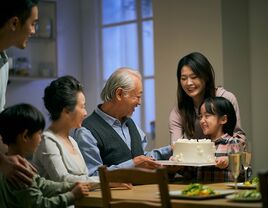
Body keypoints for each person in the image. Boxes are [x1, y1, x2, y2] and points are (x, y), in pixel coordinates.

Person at [74, 67, 172, 176]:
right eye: (137, 97)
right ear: (119, 94)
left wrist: (170, 150)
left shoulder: (130, 123)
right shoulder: (86, 131)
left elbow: (141, 157)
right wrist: (132, 165)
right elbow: (93, 176)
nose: (139, 103)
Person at [0, 103, 90, 208]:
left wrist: (70, 186)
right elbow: (39, 205)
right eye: (39, 133)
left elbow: (42, 184)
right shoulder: (20, 171)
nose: (41, 137)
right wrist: (72, 196)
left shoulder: (9, 166)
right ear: (25, 136)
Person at [0, 0, 39, 187]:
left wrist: (9, 158)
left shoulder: (4, 61)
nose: (33, 31)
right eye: (32, 23)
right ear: (14, 23)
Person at [32, 76, 99, 183]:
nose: (85, 113)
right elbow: (62, 179)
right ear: (66, 111)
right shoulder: (47, 141)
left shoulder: (72, 141)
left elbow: (85, 177)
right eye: (82, 107)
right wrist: (105, 181)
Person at [169, 52, 246, 143]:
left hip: (226, 154)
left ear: (206, 77)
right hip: (198, 156)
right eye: (183, 78)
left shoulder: (225, 98)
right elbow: (176, 146)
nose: (189, 83)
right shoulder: (180, 109)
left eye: (194, 77)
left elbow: (239, 138)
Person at [195, 97, 246, 182]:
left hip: (226, 193)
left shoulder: (233, 142)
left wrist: (229, 162)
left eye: (207, 116)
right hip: (203, 194)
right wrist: (177, 166)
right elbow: (192, 172)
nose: (202, 121)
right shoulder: (201, 145)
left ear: (223, 119)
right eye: (200, 117)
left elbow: (244, 171)